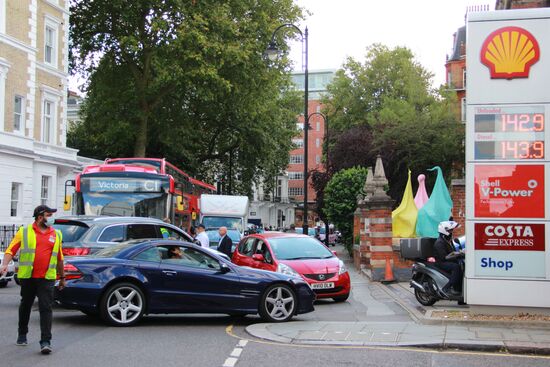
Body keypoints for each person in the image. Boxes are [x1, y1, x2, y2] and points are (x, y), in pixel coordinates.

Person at [0, 205, 65, 354]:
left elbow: (60, 259)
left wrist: (62, 277)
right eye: (49, 215)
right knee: (26, 305)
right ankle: (22, 333)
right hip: (28, 277)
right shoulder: (24, 232)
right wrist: (4, 265)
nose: (51, 218)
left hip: (47, 278)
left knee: (46, 308)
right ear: (40, 217)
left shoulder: (57, 234)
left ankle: (45, 341)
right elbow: (11, 250)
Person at [433, 220, 463, 296]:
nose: (451, 232)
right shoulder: (439, 242)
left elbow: (451, 253)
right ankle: (446, 288)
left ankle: (458, 290)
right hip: (441, 263)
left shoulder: (446, 241)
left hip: (446, 260)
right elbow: (444, 257)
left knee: (461, 264)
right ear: (444, 230)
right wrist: (456, 254)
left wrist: (459, 253)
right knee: (456, 267)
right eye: (450, 230)